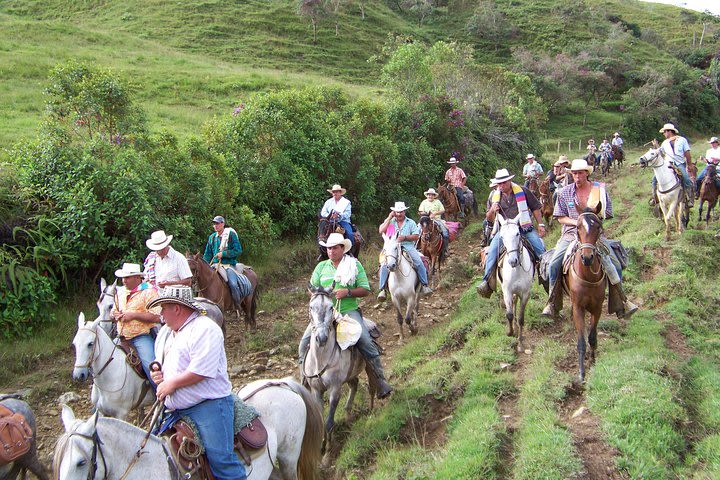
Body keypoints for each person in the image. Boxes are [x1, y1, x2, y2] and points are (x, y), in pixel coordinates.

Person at [148, 286, 247, 480]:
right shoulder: (169, 333)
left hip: (208, 406)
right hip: (175, 408)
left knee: (222, 463)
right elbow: (170, 365)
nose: (161, 314)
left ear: (177, 308)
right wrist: (160, 377)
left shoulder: (205, 329)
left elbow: (202, 371)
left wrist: (172, 384)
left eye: (163, 308)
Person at [297, 233, 392, 399]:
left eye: (334, 248)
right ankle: (304, 381)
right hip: (324, 315)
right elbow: (311, 289)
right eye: (328, 248)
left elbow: (365, 289)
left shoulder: (354, 265)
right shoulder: (321, 268)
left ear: (343, 248)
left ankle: (380, 381)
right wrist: (320, 296)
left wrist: (347, 292)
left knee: (365, 340)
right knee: (304, 342)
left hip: (348, 311)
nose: (331, 251)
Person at [541, 159, 638, 318]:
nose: (577, 176)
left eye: (580, 173)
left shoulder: (598, 191)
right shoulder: (565, 192)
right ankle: (552, 303)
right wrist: (578, 223)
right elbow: (560, 217)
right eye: (574, 173)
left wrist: (592, 222)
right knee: (554, 264)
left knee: (615, 265)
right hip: (571, 234)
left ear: (587, 173)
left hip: (594, 235)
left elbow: (607, 213)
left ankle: (621, 303)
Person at [476, 169, 546, 298]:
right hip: (505, 231)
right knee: (492, 251)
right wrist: (492, 210)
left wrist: (540, 224)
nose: (502, 186)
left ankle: (545, 277)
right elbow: (489, 218)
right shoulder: (494, 197)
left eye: (504, 182)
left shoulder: (523, 191)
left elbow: (535, 207)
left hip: (524, 227)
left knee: (540, 249)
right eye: (499, 183)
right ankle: (486, 281)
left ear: (509, 181)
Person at [112, 263, 161, 386]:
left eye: (127, 278)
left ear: (137, 278)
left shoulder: (149, 292)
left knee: (151, 367)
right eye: (123, 278)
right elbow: (113, 312)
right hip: (121, 336)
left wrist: (133, 315)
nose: (124, 281)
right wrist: (115, 315)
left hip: (141, 336)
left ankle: (162, 397)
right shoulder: (121, 293)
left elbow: (157, 316)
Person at [377, 201, 433, 300]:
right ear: (394, 212)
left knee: (419, 262)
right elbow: (381, 230)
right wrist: (389, 217)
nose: (399, 214)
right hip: (392, 247)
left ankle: (425, 285)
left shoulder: (410, 222)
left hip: (407, 246)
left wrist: (405, 237)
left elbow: (416, 236)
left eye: (401, 212)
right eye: (397, 212)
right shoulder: (390, 222)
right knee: (384, 265)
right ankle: (382, 289)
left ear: (404, 212)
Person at [203, 216, 244, 306]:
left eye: (217, 223)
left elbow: (238, 250)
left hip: (228, 265)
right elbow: (207, 254)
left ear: (223, 224)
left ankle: (237, 305)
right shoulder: (212, 237)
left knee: (233, 284)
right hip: (214, 265)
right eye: (214, 224)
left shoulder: (231, 235)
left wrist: (224, 254)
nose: (215, 226)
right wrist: (205, 266)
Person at [653, 123, 694, 206]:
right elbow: (661, 154)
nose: (664, 134)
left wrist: (689, 164)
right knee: (655, 179)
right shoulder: (664, 143)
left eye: (664, 132)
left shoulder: (682, 140)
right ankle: (655, 198)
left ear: (669, 131)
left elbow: (687, 153)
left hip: (679, 163)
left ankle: (689, 198)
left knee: (686, 178)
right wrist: (656, 147)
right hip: (667, 164)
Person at [418, 188, 449, 255]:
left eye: (432, 195)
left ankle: (445, 249)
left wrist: (435, 213)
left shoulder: (438, 202)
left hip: (437, 220)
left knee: (445, 232)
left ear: (434, 196)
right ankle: (416, 247)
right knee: (417, 230)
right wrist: (426, 214)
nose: (430, 196)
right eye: (429, 195)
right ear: (427, 195)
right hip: (426, 220)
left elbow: (443, 210)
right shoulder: (424, 202)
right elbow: (420, 211)